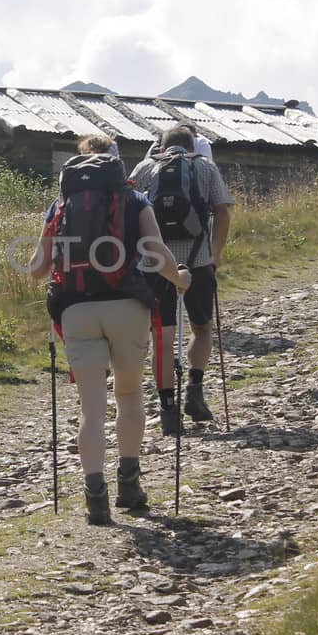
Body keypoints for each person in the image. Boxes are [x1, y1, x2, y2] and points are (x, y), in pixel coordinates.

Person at [29, 134, 191, 524]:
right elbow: (157, 252)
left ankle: (94, 494)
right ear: (116, 164)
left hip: (76, 311)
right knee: (130, 395)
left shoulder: (61, 205)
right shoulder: (135, 200)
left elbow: (36, 268)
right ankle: (129, 484)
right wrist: (180, 279)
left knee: (91, 407)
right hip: (127, 307)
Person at [129, 125, 234, 433]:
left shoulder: (145, 167)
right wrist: (215, 253)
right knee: (201, 328)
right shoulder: (205, 166)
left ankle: (167, 409)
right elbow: (223, 212)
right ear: (193, 146)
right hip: (198, 261)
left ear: (161, 146)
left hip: (155, 264)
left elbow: (127, 208)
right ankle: (195, 388)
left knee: (161, 337)